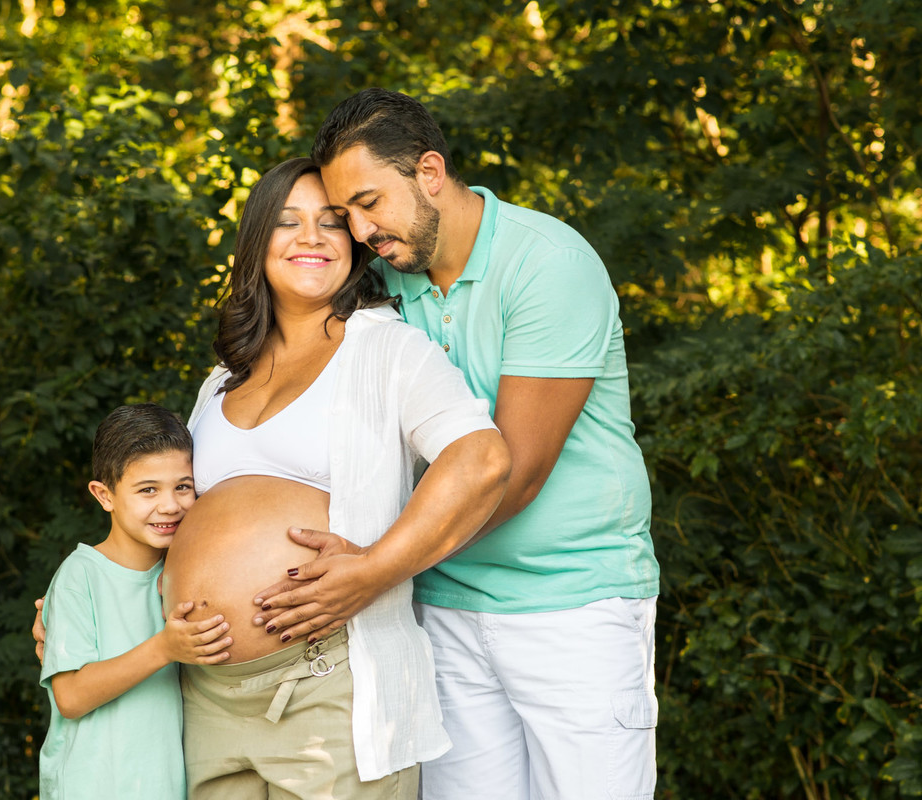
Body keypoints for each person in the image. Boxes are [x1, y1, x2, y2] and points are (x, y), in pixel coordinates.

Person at [252, 89, 662, 800]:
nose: (360, 229)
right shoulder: (382, 284)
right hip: (438, 609)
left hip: (570, 607)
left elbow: (517, 470)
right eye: (347, 215)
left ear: (431, 171)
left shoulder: (547, 264)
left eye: (371, 202)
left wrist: (377, 566)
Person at [161, 157, 509, 799]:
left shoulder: (387, 349)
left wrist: (377, 567)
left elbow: (479, 460)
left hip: (332, 684)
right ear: (256, 242)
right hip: (204, 694)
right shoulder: (221, 380)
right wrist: (89, 607)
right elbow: (168, 521)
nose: (313, 238)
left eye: (331, 223)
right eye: (288, 222)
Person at [38, 404, 233, 800]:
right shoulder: (80, 576)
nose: (170, 505)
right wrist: (164, 648)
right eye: (148, 490)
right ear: (104, 495)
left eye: (183, 486)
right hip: (93, 785)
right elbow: (71, 697)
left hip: (163, 785)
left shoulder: (183, 576)